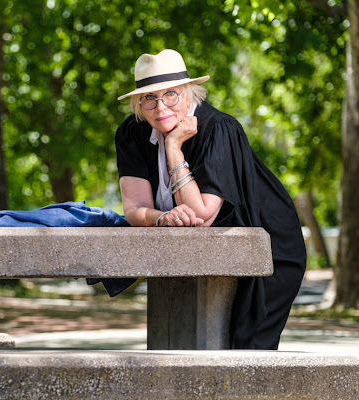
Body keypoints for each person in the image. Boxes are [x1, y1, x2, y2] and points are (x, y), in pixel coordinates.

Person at [115, 49, 306, 350]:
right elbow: (134, 209)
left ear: (189, 93)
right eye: (149, 98)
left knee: (245, 350)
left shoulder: (219, 129)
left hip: (269, 248)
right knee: (187, 344)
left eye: (171, 94)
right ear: (138, 103)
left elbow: (199, 216)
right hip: (205, 250)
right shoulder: (132, 132)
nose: (160, 106)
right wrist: (161, 218)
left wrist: (174, 147)